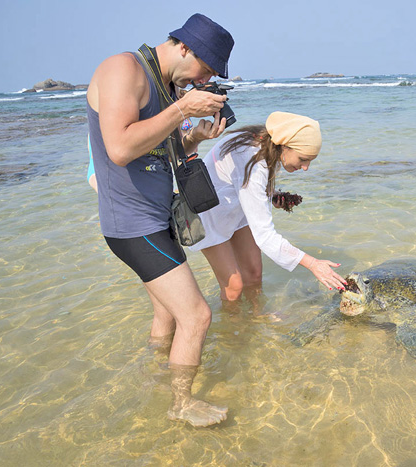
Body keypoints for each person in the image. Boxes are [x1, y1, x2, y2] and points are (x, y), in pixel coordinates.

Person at [86, 13, 234, 427]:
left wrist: (194, 136)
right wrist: (183, 107)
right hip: (133, 225)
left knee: (168, 315)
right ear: (185, 47)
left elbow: (157, 145)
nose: (203, 80)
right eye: (207, 69)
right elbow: (118, 147)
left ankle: (154, 376)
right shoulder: (124, 69)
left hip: (155, 217)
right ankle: (181, 404)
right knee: (198, 316)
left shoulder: (167, 86)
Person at [188, 111, 348, 305]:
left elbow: (242, 187)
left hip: (235, 208)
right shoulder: (251, 160)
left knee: (254, 274)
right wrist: (313, 264)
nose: (306, 167)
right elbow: (265, 236)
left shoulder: (267, 144)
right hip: (208, 214)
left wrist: (270, 196)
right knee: (234, 287)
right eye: (303, 158)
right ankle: (235, 327)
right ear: (285, 145)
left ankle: (257, 316)